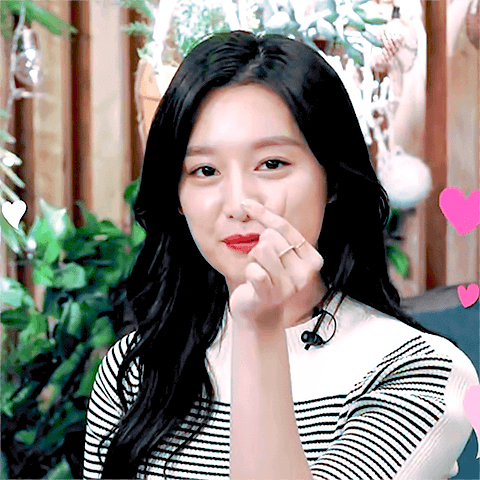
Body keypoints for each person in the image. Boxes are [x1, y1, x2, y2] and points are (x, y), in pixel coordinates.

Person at [83, 30, 479, 480]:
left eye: (272, 164)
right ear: (176, 196)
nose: (238, 203)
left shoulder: (421, 372)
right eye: (205, 170)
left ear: (332, 180)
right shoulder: (134, 368)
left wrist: (260, 328)